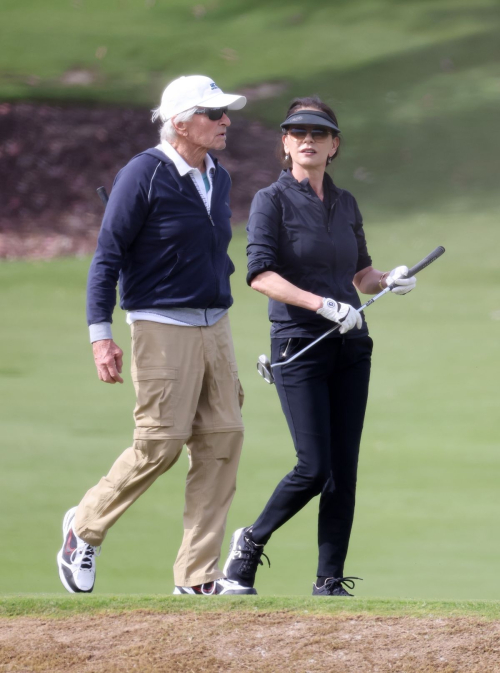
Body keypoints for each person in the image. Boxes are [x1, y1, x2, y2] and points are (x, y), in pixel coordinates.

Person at [57, 75, 255, 596]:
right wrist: (101, 335)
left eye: (224, 113)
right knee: (161, 444)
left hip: (217, 325)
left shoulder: (220, 177)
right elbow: (107, 258)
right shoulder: (142, 174)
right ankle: (83, 529)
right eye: (214, 114)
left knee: (222, 441)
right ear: (181, 122)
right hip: (161, 325)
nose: (225, 121)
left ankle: (197, 577)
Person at [223, 97, 417, 596]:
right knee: (314, 466)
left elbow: (360, 275)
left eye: (318, 133)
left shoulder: (345, 203)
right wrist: (323, 306)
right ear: (285, 144)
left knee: (343, 472)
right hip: (299, 344)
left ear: (334, 145)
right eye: (296, 132)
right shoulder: (271, 200)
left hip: (351, 346)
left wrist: (388, 278)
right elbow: (260, 275)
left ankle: (329, 581)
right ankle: (250, 543)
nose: (307, 139)